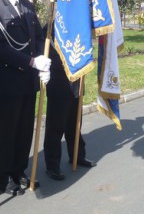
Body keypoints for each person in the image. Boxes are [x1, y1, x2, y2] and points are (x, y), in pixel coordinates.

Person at [0, 0, 50, 196]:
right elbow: (0, 47)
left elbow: (38, 39)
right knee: (7, 131)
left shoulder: (28, 7)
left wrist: (43, 60)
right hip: (10, 82)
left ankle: (19, 171)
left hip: (28, 82)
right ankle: (3, 177)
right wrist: (31, 62)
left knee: (24, 130)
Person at [44, 31, 96, 181]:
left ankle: (77, 156)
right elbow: (46, 49)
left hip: (76, 81)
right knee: (56, 126)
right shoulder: (51, 25)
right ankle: (52, 165)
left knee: (75, 123)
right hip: (59, 81)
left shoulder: (76, 21)